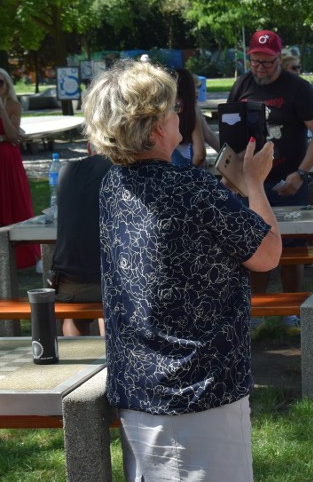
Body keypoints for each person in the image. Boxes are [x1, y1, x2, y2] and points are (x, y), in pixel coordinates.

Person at [82, 60, 281, 481]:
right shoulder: (192, 187)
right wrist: (256, 183)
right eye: (174, 110)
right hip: (203, 390)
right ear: (156, 127)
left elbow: (184, 243)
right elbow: (267, 254)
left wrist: (228, 191)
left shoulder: (112, 186)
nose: (180, 116)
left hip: (139, 387)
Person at [227, 29, 313, 296]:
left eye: (268, 62)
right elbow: (230, 134)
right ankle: (256, 309)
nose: (260, 68)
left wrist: (301, 173)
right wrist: (231, 174)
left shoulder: (297, 87)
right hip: (250, 184)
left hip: (288, 181)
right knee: (252, 244)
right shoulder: (242, 86)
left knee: (292, 246)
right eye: (255, 61)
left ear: (279, 59)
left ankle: (291, 311)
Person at [0, 66, 39, 269]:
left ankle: (23, 252)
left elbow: (14, 136)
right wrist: (2, 138)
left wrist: (2, 109)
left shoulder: (13, 106)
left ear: (6, 84)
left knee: (15, 201)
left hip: (9, 163)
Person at [50, 143, 112, 336]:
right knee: (110, 296)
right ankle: (110, 359)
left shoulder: (66, 171)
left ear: (89, 148)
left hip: (67, 281)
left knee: (75, 312)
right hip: (110, 282)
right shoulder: (125, 172)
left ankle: (78, 358)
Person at [171, 68, 214, 167]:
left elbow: (208, 135)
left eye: (198, 87)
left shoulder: (193, 110)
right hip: (185, 164)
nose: (197, 91)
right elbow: (200, 155)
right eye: (194, 87)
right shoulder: (191, 110)